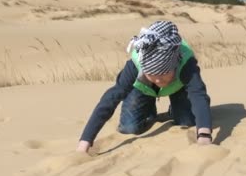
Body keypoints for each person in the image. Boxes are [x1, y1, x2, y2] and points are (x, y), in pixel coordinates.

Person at [76, 20, 212, 153]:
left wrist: (204, 135)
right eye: (152, 74)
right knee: (129, 128)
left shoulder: (186, 62)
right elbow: (109, 100)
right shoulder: (135, 65)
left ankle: (175, 108)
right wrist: (85, 141)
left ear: (175, 65)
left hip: (177, 88)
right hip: (142, 89)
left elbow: (198, 95)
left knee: (187, 121)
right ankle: (148, 109)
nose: (158, 79)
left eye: (163, 74)